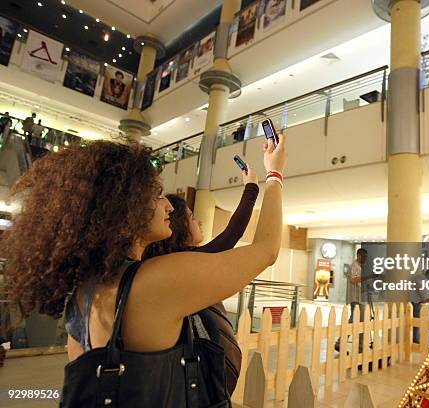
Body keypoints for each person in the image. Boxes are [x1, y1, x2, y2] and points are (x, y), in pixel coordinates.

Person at [1, 135, 287, 404]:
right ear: (124, 206)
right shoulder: (157, 280)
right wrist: (274, 174)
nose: (169, 207)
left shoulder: (85, 291)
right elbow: (266, 250)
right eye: (156, 195)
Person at [143, 163, 259, 395]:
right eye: (192, 217)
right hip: (202, 384)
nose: (200, 222)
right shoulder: (182, 263)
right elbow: (232, 234)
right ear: (177, 225)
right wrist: (252, 187)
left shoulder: (168, 262)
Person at [335, 248, 368, 352]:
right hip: (356, 298)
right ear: (359, 256)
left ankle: (342, 343)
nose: (366, 259)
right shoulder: (354, 266)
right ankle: (359, 347)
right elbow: (354, 280)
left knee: (358, 321)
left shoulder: (361, 267)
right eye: (364, 257)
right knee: (358, 321)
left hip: (362, 298)